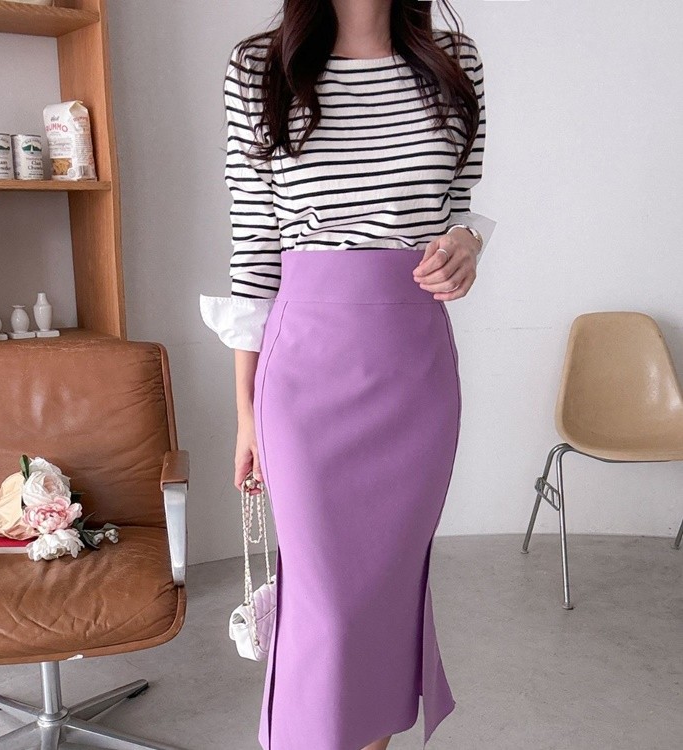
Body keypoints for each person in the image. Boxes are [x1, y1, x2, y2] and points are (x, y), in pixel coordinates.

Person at [200, 1, 496, 747]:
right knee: (327, 609)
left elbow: (457, 210)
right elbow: (253, 246)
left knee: (382, 603)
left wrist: (467, 243)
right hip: (304, 372)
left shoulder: (454, 64)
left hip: (413, 370)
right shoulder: (258, 68)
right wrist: (245, 413)